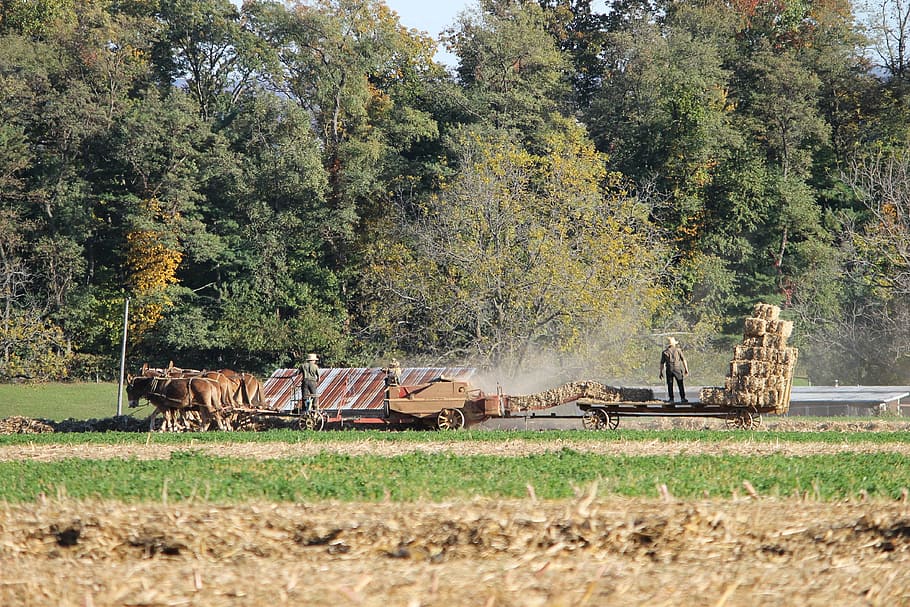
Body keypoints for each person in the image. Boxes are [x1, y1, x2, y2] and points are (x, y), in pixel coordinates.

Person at [659, 336, 689, 404]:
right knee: (680, 383)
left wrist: (660, 372)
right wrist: (686, 369)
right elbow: (683, 360)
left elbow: (662, 363)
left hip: (669, 369)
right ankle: (683, 398)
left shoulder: (665, 352)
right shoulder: (678, 350)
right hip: (677, 368)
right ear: (674, 344)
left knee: (670, 384)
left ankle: (671, 398)